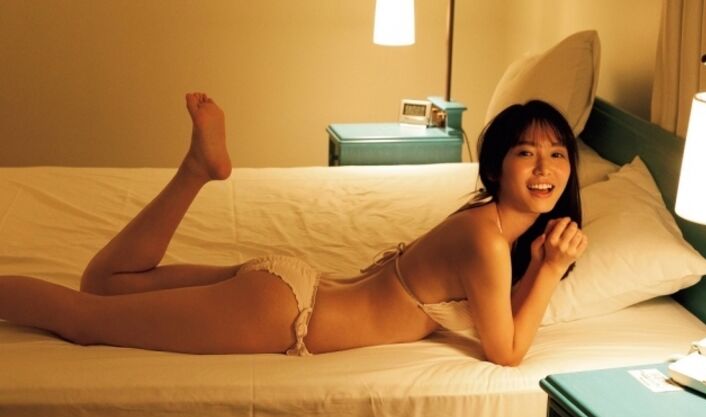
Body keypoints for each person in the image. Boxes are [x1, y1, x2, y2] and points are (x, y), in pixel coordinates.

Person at [0, 93, 587, 365]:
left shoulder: (484, 226)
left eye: (558, 155)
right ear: (496, 167)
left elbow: (497, 314)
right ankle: (198, 169)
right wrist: (551, 268)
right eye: (526, 153)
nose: (544, 168)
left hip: (288, 287)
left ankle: (197, 170)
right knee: (85, 320)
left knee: (104, 284)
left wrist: (537, 261)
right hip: (286, 313)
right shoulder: (487, 241)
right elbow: (507, 351)